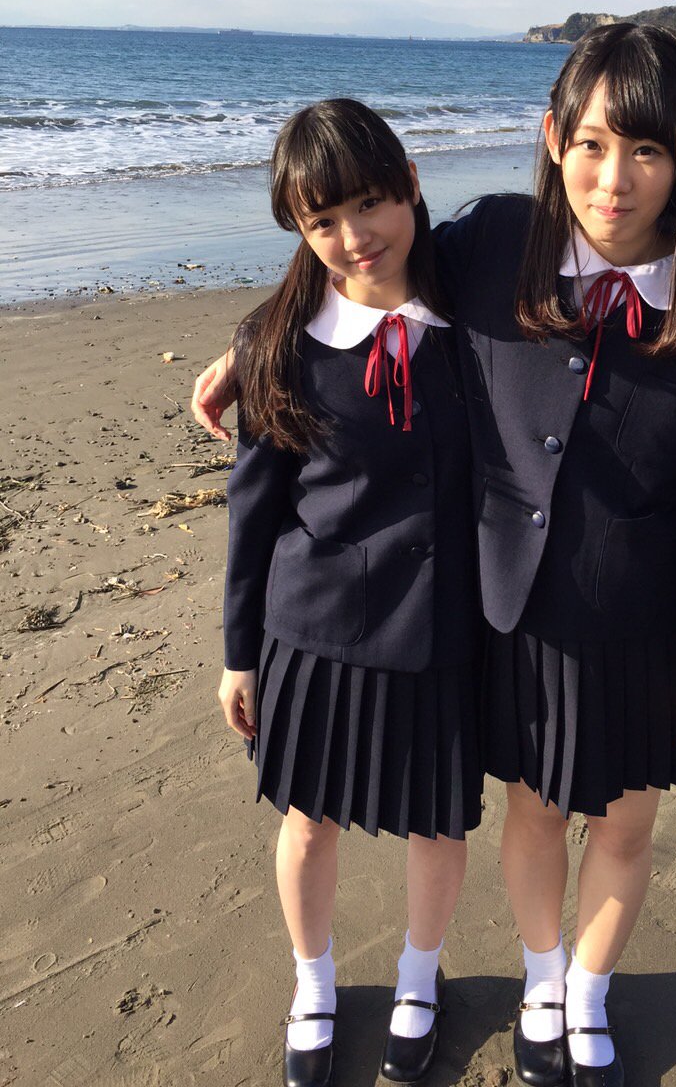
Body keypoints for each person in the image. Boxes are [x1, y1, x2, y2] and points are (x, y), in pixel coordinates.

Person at [196, 31, 676, 1087]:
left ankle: (580, 992)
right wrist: (251, 344)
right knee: (527, 810)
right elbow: (364, 267)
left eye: (648, 149)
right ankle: (530, 980)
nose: (614, 177)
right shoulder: (498, 242)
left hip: (644, 615)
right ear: (552, 138)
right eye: (592, 143)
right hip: (513, 610)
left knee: (621, 822)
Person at [217, 99, 484, 1087]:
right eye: (322, 219)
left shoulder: (479, 313)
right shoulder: (279, 342)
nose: (354, 236)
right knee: (307, 821)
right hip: (313, 629)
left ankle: (420, 977)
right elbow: (253, 513)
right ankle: (314, 982)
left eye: (369, 202)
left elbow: (585, 242)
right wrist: (239, 654)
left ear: (410, 182)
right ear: (298, 227)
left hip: (443, 624)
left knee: (437, 823)